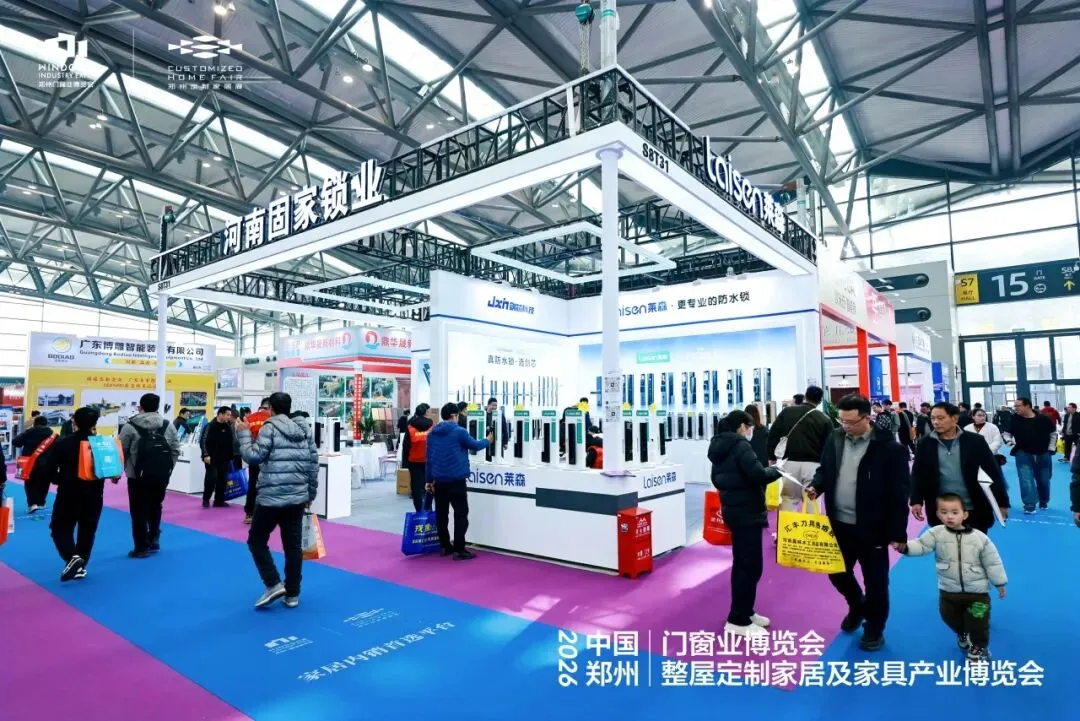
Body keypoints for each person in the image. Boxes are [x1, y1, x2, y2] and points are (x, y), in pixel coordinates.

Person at [806, 394, 909, 651]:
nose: (845, 426)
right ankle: (857, 606)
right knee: (837, 573)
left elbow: (900, 494)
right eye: (841, 420)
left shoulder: (890, 448)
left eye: (850, 422)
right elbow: (825, 469)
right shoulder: (835, 438)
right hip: (838, 523)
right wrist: (817, 486)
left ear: (867, 418)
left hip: (873, 526)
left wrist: (898, 532)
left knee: (876, 583)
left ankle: (874, 628)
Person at [898, 493, 1007, 663]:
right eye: (944, 512)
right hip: (949, 591)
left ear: (965, 515)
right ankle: (962, 633)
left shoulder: (980, 538)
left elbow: (992, 562)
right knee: (948, 616)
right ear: (938, 514)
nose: (949, 516)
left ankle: (979, 648)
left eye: (955, 512)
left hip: (978, 593)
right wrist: (905, 547)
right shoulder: (935, 534)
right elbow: (921, 545)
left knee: (979, 622)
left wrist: (999, 583)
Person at [237, 392, 319, 609]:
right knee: (293, 547)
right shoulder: (305, 430)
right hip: (297, 498)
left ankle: (273, 583)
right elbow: (313, 464)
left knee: (256, 541)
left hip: (270, 498)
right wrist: (310, 494)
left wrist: (243, 434)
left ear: (271, 408)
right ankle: (292, 594)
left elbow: (253, 457)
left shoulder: (270, 428)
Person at [708, 409, 782, 638]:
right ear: (742, 426)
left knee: (743, 563)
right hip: (747, 511)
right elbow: (758, 475)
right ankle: (738, 619)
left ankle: (745, 611)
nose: (750, 431)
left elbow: (716, 478)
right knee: (749, 566)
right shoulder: (740, 445)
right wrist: (777, 471)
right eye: (749, 427)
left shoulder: (718, 446)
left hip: (733, 509)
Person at [34, 407, 113, 581]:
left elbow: (48, 468)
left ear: (74, 422)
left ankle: (72, 559)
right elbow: (111, 469)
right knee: (87, 531)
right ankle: (80, 565)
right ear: (95, 423)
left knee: (59, 528)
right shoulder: (102, 444)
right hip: (94, 494)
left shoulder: (63, 443)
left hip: (68, 493)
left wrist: (59, 480)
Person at [910, 402, 1009, 534]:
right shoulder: (925, 443)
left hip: (973, 507)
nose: (936, 422)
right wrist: (916, 500)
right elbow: (917, 474)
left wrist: (1002, 503)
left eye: (941, 418)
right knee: (945, 546)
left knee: (975, 545)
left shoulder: (975, 441)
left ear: (955, 418)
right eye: (933, 418)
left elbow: (993, 472)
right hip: (942, 511)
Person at [425, 402, 491, 561]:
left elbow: (429, 459)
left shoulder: (432, 433)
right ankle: (459, 549)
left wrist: (429, 480)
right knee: (461, 514)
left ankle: (445, 546)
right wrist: (488, 440)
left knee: (441, 515)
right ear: (454, 416)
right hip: (456, 480)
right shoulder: (459, 432)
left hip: (439, 481)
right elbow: (475, 445)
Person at [118, 393, 180, 558]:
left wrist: (120, 472)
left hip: (137, 477)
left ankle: (141, 547)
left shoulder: (130, 426)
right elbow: (175, 449)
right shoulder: (167, 425)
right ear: (158, 407)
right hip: (161, 476)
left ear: (141, 407)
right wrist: (168, 469)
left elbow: (121, 451)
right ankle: (154, 539)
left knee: (138, 511)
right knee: (156, 506)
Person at [766, 385, 834, 511]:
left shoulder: (787, 412)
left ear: (805, 396)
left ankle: (787, 523)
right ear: (820, 401)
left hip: (789, 462)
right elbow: (829, 446)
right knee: (811, 499)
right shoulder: (824, 419)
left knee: (788, 498)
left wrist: (771, 457)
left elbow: (773, 435)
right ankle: (810, 524)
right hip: (814, 465)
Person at [1009, 396, 1055, 512]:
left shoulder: (1043, 419)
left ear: (1027, 406)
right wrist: (1010, 442)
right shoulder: (1014, 418)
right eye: (1015, 406)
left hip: (1043, 453)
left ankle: (1043, 500)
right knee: (1026, 479)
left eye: (1018, 406)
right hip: (1022, 453)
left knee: (1044, 480)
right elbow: (1006, 433)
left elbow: (1053, 434)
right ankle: (1029, 505)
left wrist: (1051, 449)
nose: (1016, 408)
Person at [14, 415, 55, 512]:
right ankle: (41, 502)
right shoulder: (51, 434)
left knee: (30, 484)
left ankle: (32, 504)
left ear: (35, 423)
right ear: (46, 424)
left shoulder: (28, 432)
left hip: (29, 463)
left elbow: (16, 442)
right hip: (46, 463)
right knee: (44, 482)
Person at [200, 406, 237, 508]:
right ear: (220, 414)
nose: (229, 417)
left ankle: (219, 501)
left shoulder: (228, 426)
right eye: (227, 415)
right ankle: (206, 499)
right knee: (211, 478)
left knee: (223, 479)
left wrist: (232, 455)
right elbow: (203, 441)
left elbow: (231, 441)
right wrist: (205, 454)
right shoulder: (210, 426)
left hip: (225, 458)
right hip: (211, 458)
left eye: (230, 415)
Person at [400, 403, 434, 513]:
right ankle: (428, 508)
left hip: (414, 461)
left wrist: (405, 462)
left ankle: (419, 509)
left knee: (416, 486)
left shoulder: (410, 425)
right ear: (426, 412)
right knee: (429, 484)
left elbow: (406, 446)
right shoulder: (431, 424)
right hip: (428, 460)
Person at [242, 398, 271, 524]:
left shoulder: (249, 418)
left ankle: (249, 513)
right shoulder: (271, 419)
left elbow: (243, 437)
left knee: (252, 483)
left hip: (253, 456)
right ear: (270, 407)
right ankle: (266, 515)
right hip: (268, 458)